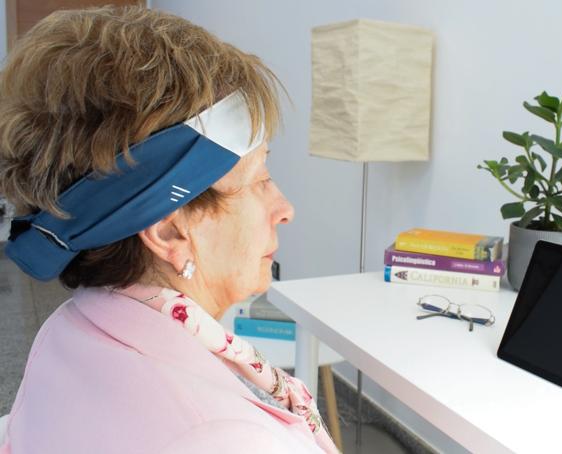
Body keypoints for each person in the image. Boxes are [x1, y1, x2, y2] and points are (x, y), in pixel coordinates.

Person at [0, 6, 337, 454]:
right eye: (258, 179)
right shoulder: (225, 439)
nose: (285, 209)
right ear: (168, 231)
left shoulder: (69, 328)